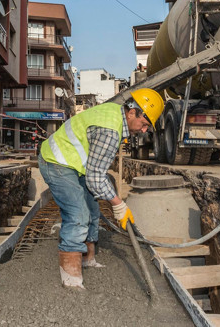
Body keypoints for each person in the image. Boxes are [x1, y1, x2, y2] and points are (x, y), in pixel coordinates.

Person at [38, 88, 165, 289]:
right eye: (144, 124)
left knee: (92, 209)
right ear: (132, 112)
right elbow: (96, 178)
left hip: (75, 165)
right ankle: (71, 279)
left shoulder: (114, 115)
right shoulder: (110, 131)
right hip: (56, 161)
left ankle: (88, 258)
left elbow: (95, 174)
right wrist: (118, 205)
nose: (143, 131)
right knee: (78, 214)